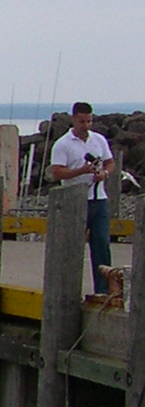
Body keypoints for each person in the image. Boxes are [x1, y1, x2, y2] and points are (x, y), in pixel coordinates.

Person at [49, 101, 117, 294]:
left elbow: (110, 163)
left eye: (89, 121)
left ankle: (103, 289)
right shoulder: (62, 144)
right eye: (82, 121)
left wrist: (104, 173)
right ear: (73, 120)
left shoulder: (99, 140)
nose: (86, 125)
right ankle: (67, 289)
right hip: (75, 201)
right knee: (71, 246)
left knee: (102, 244)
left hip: (99, 198)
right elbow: (56, 172)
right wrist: (81, 171)